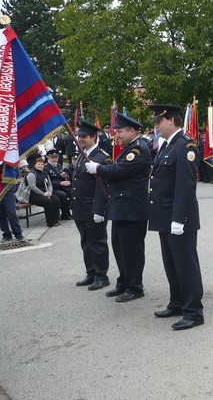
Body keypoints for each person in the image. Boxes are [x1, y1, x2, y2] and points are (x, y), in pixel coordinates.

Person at [148, 104, 204, 331]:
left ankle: (193, 311)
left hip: (179, 219)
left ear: (171, 120)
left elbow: (186, 187)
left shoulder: (185, 146)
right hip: (164, 216)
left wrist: (179, 219)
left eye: (158, 122)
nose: (156, 127)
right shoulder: (167, 145)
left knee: (185, 265)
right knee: (171, 264)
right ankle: (177, 302)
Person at [85, 113, 150, 303]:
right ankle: (124, 282)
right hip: (122, 207)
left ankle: (135, 286)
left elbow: (118, 170)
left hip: (132, 209)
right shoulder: (129, 148)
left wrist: (97, 168)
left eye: (120, 131)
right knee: (120, 248)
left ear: (132, 131)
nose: (117, 135)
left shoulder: (138, 150)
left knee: (132, 251)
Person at [72, 121, 112, 291]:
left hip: (93, 208)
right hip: (81, 207)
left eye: (84, 136)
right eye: (79, 136)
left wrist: (100, 209)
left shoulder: (102, 157)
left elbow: (103, 186)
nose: (81, 139)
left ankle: (101, 275)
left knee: (97, 242)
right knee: (86, 242)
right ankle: (91, 273)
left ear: (94, 136)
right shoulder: (82, 154)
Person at [26, 157, 61, 227]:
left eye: (42, 164)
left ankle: (55, 219)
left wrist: (50, 192)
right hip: (34, 194)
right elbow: (32, 187)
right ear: (35, 165)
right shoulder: (31, 174)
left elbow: (50, 184)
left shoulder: (45, 173)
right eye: (38, 164)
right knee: (47, 202)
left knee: (56, 199)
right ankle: (50, 222)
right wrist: (43, 194)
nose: (40, 166)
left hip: (45, 192)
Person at [45, 149, 72, 220]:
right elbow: (47, 181)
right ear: (48, 157)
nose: (54, 159)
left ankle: (68, 212)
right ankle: (65, 214)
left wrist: (66, 176)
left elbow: (61, 176)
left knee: (71, 191)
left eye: (56, 158)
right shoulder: (46, 167)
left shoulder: (58, 165)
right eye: (52, 158)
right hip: (52, 188)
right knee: (63, 195)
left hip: (61, 186)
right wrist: (60, 183)